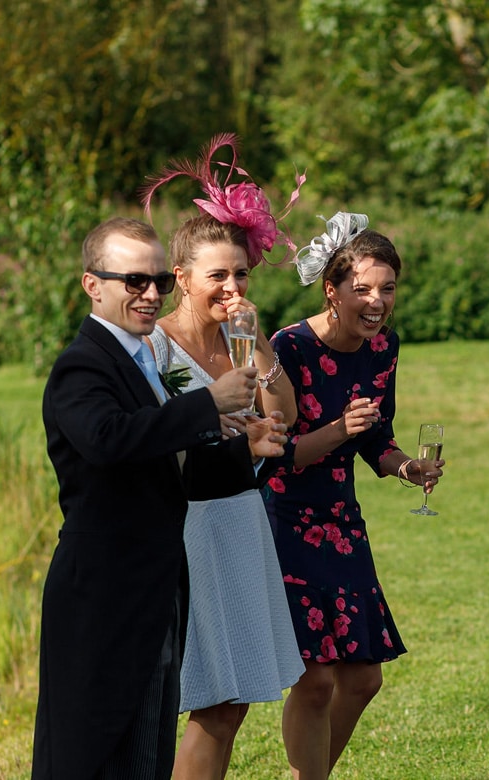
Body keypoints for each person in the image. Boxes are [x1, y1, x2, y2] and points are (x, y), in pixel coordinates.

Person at [32, 217, 289, 780]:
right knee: (91, 750)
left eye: (157, 283)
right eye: (133, 282)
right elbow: (107, 441)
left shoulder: (140, 359)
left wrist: (243, 448)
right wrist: (209, 405)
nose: (149, 294)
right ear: (91, 285)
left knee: (146, 746)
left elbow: (164, 464)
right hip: (104, 587)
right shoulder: (83, 363)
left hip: (156, 579)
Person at [140, 135, 306, 780]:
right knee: (209, 697)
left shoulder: (240, 340)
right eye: (218, 275)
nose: (233, 286)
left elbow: (285, 414)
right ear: (180, 278)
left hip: (240, 518)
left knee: (232, 699)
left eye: (241, 273)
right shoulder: (155, 348)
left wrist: (254, 334)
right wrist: (233, 437)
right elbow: (151, 440)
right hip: (187, 528)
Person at [262, 213, 444, 780]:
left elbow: (377, 439)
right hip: (284, 517)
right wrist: (340, 428)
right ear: (331, 290)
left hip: (341, 517)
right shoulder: (286, 347)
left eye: (387, 288)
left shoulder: (382, 349)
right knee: (315, 678)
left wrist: (408, 467)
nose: (376, 300)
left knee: (364, 677)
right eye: (361, 288)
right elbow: (279, 453)